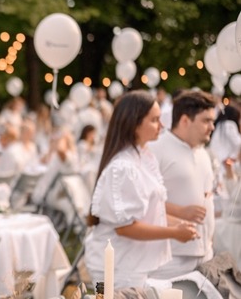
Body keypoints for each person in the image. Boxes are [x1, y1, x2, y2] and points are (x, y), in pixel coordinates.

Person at [84, 91, 197, 288]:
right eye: (154, 120)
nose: (161, 126)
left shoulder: (143, 156)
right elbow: (125, 227)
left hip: (134, 262)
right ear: (134, 124)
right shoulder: (123, 167)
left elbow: (150, 213)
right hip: (119, 266)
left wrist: (181, 224)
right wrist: (173, 232)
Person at [148, 90, 217, 279]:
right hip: (171, 257)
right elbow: (142, 202)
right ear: (185, 120)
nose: (212, 126)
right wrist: (180, 212)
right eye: (206, 121)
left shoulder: (203, 152)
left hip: (206, 254)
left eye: (212, 120)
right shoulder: (156, 149)